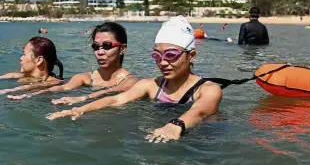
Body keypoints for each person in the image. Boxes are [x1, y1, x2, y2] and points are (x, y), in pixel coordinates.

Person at [46, 16, 223, 143]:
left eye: (171, 55)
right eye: (157, 56)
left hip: (202, 142)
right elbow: (117, 99)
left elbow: (199, 111)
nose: (163, 62)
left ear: (191, 56)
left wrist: (176, 124)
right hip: (159, 134)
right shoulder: (151, 85)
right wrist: (81, 109)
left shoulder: (208, 89)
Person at [0, 22, 137, 102]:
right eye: (95, 46)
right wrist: (28, 95)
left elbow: (113, 92)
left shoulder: (131, 81)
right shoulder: (84, 78)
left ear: (122, 48)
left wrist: (82, 98)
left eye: (107, 46)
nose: (100, 51)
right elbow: (59, 89)